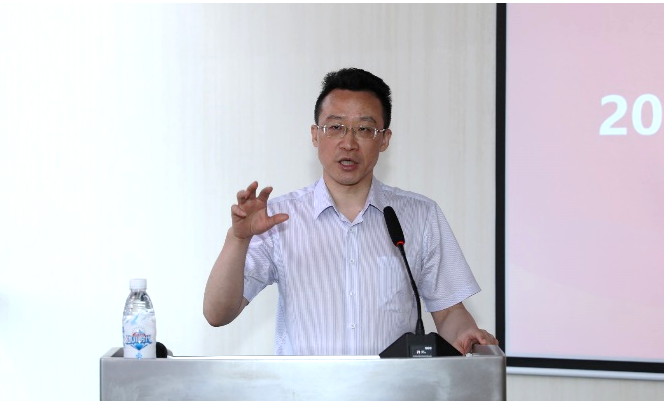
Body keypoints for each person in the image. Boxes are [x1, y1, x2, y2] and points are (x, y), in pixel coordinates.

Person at [203, 67, 498, 356]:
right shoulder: (279, 219)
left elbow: (449, 313)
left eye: (365, 129)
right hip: (305, 390)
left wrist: (465, 334)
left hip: (395, 389)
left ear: (384, 139)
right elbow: (218, 313)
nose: (348, 143)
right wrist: (238, 239)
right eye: (335, 127)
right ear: (315, 135)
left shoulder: (421, 216)